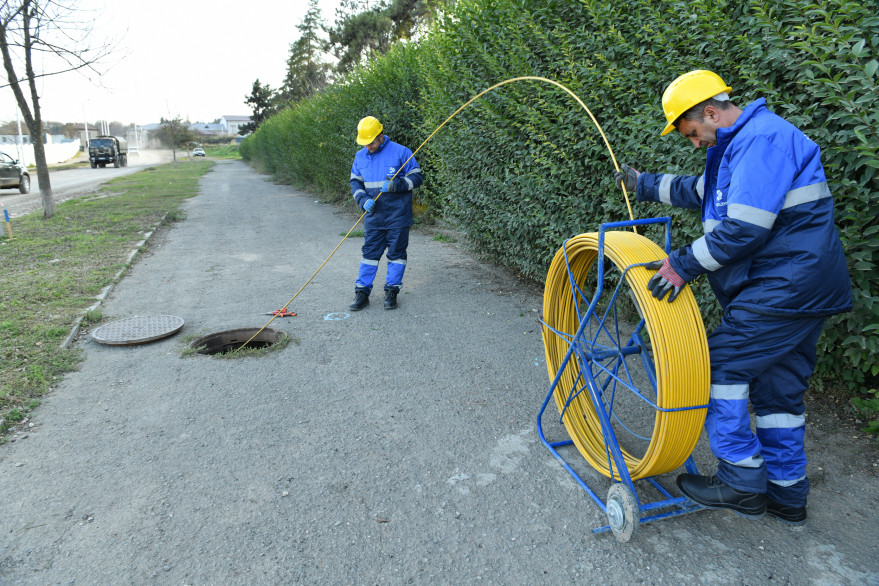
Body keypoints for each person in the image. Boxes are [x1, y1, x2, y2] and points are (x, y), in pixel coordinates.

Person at [614, 70, 852, 525]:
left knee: (717, 366)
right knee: (778, 390)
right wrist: (642, 183)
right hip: (796, 287)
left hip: (785, 286)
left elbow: (744, 228)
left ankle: (741, 481)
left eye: (692, 132)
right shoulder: (735, 149)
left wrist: (682, 265)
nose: (693, 142)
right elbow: (699, 193)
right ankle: (786, 494)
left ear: (710, 112)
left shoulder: (762, 141)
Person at [348, 116, 423, 311]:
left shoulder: (401, 152)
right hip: (374, 216)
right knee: (369, 255)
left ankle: (392, 291)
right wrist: (363, 201)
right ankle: (362, 293)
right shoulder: (360, 157)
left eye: (370, 142)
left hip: (398, 215)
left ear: (381, 136)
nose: (368, 147)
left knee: (397, 254)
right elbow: (355, 183)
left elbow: (417, 177)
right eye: (364, 143)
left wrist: (395, 185)